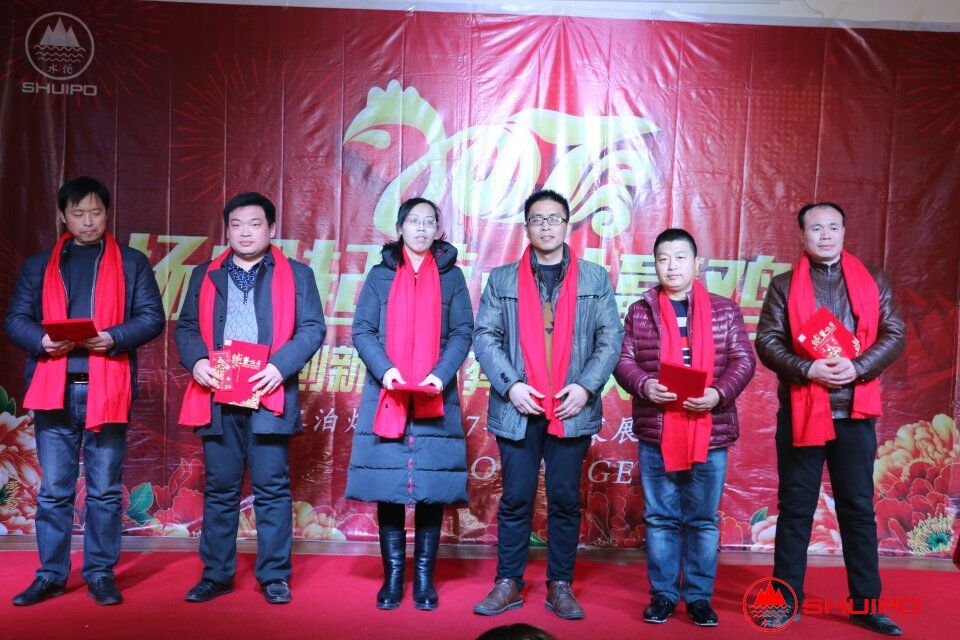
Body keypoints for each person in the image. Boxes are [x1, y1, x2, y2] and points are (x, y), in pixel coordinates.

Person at [5, 176, 165, 606]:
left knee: (105, 491)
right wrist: (41, 341)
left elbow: (152, 317)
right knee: (55, 490)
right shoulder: (39, 265)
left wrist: (114, 337)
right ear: (63, 216)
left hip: (107, 387)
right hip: (54, 389)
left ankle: (99, 573)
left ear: (107, 213)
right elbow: (15, 319)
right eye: (78, 213)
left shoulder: (131, 262)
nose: (88, 221)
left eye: (96, 212)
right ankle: (50, 575)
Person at [472, 189, 623, 620]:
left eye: (554, 218)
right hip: (518, 407)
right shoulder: (502, 279)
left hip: (570, 406)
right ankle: (508, 583)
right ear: (526, 228)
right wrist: (512, 386)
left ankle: (561, 585)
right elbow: (485, 336)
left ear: (567, 225)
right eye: (537, 219)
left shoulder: (594, 278)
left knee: (564, 499)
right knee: (516, 498)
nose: (546, 226)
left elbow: (610, 338)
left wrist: (586, 388)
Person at [756, 202, 905, 636]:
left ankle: (867, 605)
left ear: (844, 232)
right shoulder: (784, 285)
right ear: (802, 235)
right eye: (816, 228)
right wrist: (807, 369)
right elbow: (767, 342)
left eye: (833, 227)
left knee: (858, 510)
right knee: (795, 510)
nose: (825, 235)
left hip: (854, 413)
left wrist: (858, 366)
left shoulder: (873, 279)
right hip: (802, 411)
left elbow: (894, 333)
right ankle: (785, 601)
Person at [175, 192, 325, 604]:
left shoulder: (297, 275)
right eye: (237, 224)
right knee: (221, 488)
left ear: (271, 228)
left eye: (255, 224)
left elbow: (312, 328)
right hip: (218, 393)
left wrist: (279, 367)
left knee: (272, 489)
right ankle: (215, 575)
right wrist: (197, 361)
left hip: (268, 391)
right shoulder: (205, 274)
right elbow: (186, 326)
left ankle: (274, 575)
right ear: (227, 229)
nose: (245, 232)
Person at [613, 228, 755, 626]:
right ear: (655, 264)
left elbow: (744, 361)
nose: (671, 266)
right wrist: (645, 385)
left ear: (696, 264)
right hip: (658, 429)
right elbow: (623, 361)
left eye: (679, 258)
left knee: (702, 520)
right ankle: (662, 595)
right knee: (660, 517)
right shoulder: (641, 310)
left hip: (709, 429)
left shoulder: (725, 310)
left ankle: (698, 597)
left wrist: (718, 394)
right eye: (663, 258)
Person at [345, 197, 473, 611]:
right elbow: (362, 330)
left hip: (437, 392)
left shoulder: (452, 276)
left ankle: (423, 580)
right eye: (413, 221)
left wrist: (441, 373)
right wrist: (385, 371)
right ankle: (392, 578)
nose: (421, 229)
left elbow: (463, 331)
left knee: (431, 486)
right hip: (389, 393)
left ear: (438, 229)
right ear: (399, 228)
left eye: (429, 222)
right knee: (390, 486)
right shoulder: (380, 275)